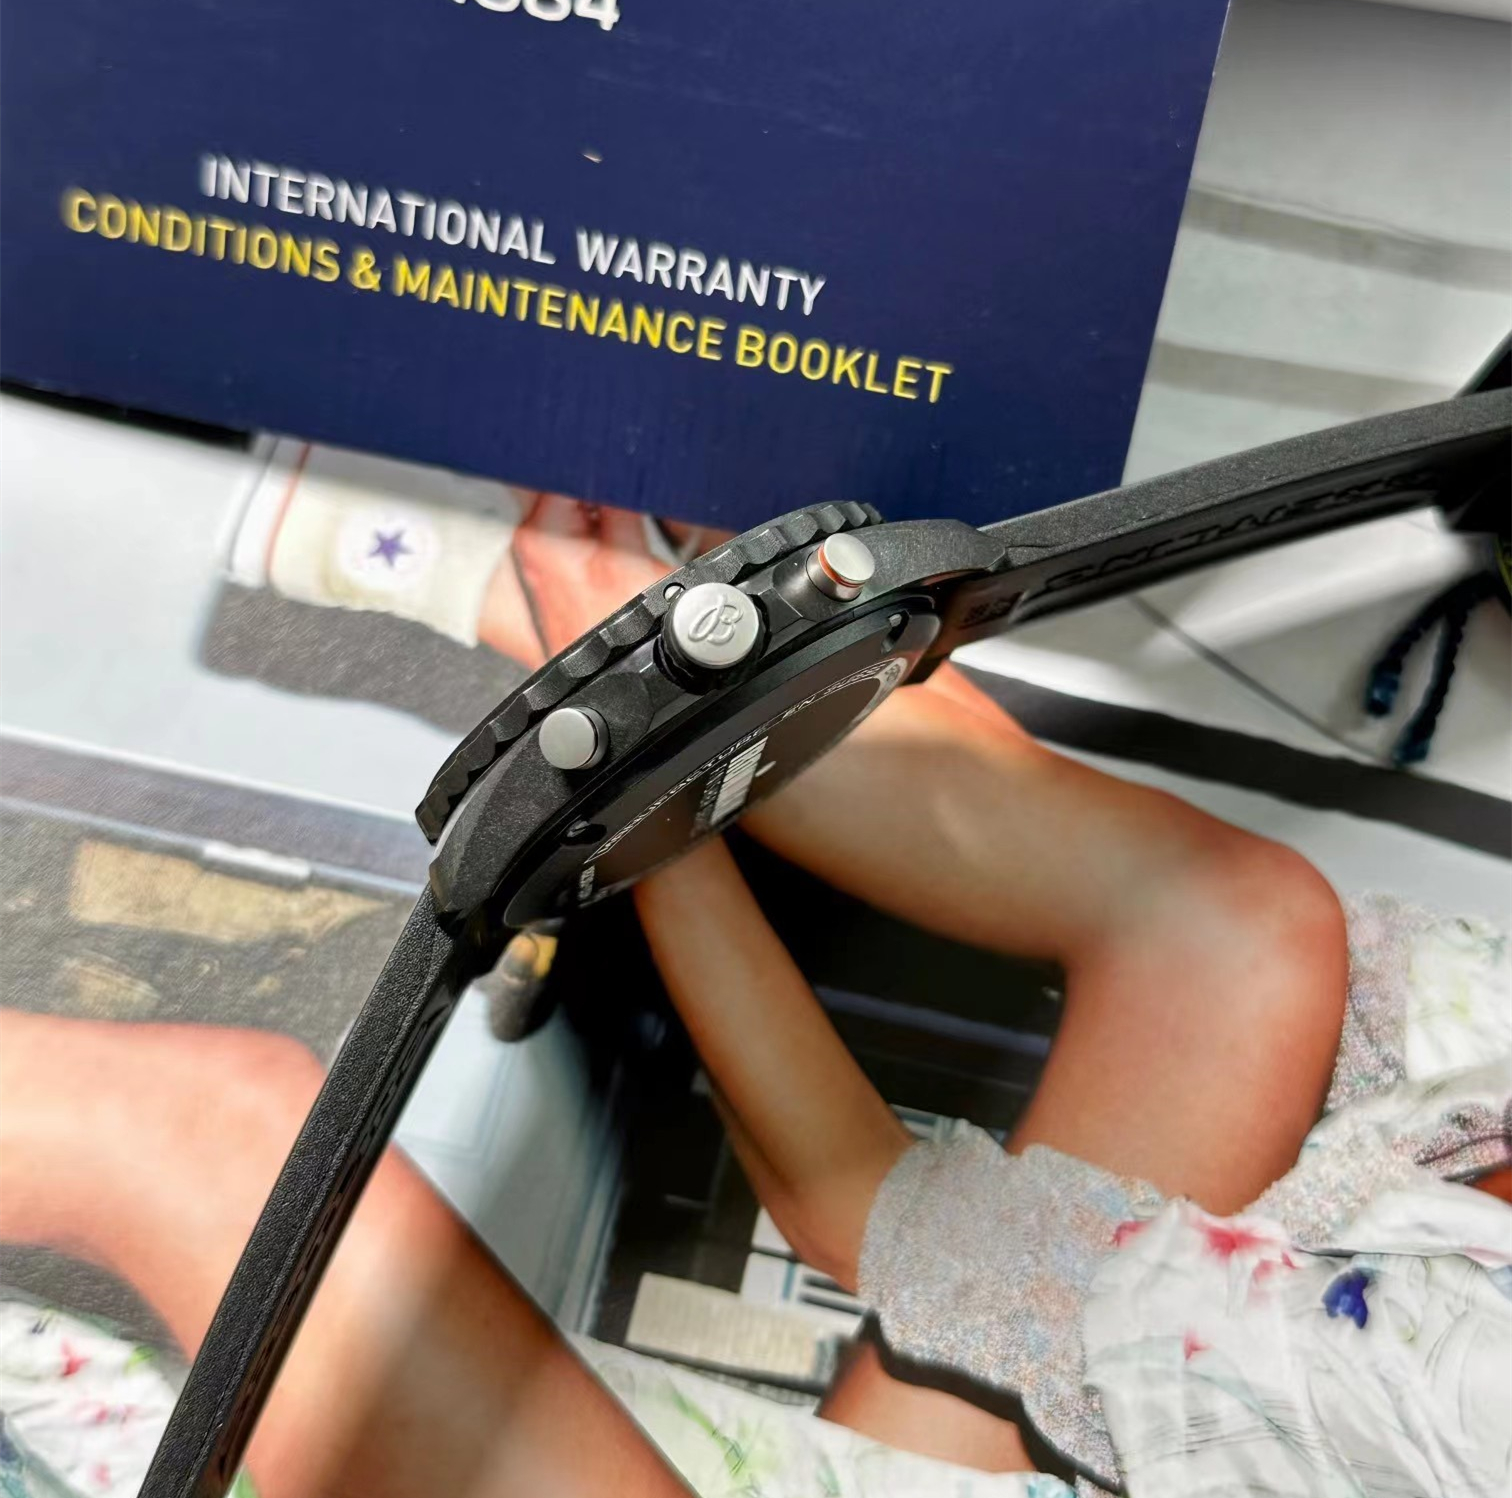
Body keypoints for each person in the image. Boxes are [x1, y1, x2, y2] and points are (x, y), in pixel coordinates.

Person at [3, 496, 1507, 1497]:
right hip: (1277, 1331)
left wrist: (615, 784)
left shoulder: (1432, 1392)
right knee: (1246, 932)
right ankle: (562, 597)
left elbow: (856, 1199)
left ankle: (591, 646)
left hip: (1323, 1386)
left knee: (214, 1137)